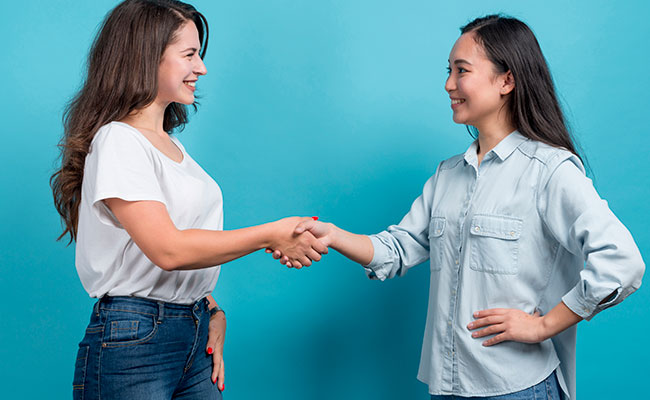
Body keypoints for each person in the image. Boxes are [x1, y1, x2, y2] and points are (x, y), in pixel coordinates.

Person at [271, 14, 645, 399]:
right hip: (447, 387)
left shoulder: (549, 171)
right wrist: (331, 235)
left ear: (507, 80)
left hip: (517, 387)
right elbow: (397, 250)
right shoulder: (447, 176)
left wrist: (544, 325)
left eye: (461, 70)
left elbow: (623, 262)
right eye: (448, 71)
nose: (448, 84)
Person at [50, 1, 326, 398]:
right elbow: (167, 249)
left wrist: (211, 309)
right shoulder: (117, 141)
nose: (202, 68)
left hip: (194, 333)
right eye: (190, 54)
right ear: (147, 57)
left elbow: (171, 246)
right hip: (135, 342)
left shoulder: (172, 146)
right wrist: (271, 234)